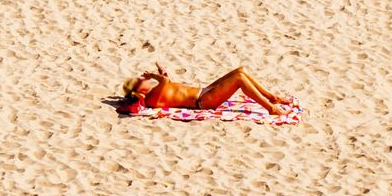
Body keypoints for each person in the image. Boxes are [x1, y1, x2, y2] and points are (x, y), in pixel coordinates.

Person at [123, 65, 297, 117]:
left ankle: (272, 97)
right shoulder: (151, 98)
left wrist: (161, 74)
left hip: (205, 91)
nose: (144, 80)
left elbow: (168, 85)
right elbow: (166, 82)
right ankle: (271, 108)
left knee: (241, 70)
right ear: (138, 91)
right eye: (141, 81)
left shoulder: (156, 91)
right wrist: (153, 75)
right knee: (239, 79)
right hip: (204, 101)